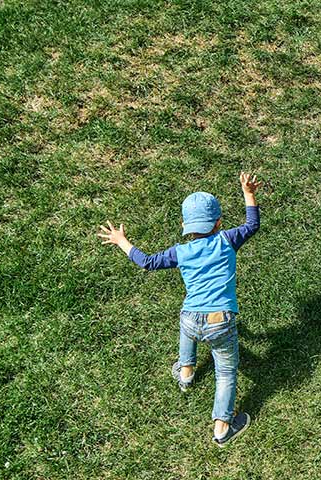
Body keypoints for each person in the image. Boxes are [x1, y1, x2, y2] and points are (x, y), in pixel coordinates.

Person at [97, 171, 262, 447]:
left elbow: (148, 262)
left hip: (190, 318)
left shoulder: (180, 252)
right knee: (225, 372)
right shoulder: (228, 240)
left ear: (186, 226)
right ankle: (222, 427)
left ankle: (185, 375)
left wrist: (122, 241)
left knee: (188, 328)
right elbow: (252, 224)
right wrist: (248, 192)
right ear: (219, 222)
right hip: (219, 321)